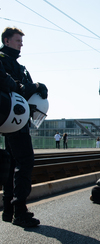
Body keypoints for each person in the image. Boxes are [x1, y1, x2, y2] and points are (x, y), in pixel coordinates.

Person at [1, 27, 48, 227]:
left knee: (12, 163)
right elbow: (15, 86)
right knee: (25, 161)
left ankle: (9, 210)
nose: (21, 44)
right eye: (18, 40)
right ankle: (19, 211)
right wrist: (36, 86)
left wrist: (34, 87)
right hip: (14, 120)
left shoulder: (17, 64)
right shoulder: (3, 61)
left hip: (15, 119)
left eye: (21, 40)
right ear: (6, 40)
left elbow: (23, 89)